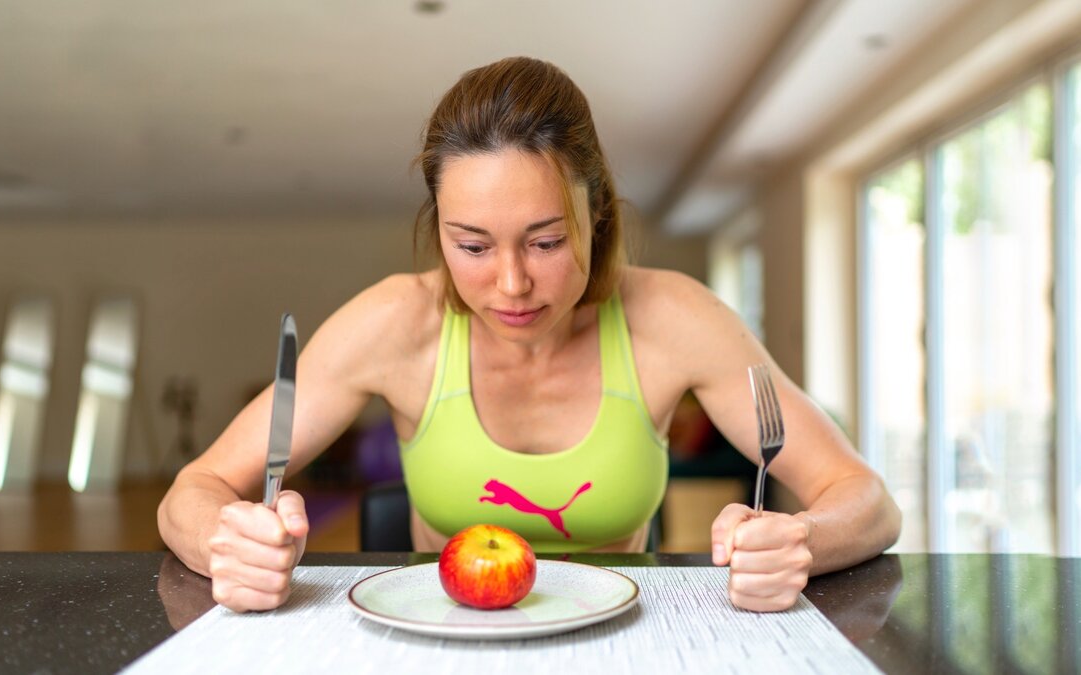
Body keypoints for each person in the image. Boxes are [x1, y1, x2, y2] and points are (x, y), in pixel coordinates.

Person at [157, 56, 901, 615]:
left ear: (596, 214)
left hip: (626, 642)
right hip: (440, 641)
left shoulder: (675, 318)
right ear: (438, 229)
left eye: (545, 242)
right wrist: (229, 542)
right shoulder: (392, 323)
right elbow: (191, 491)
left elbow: (866, 499)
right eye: (473, 246)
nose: (511, 284)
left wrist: (798, 542)